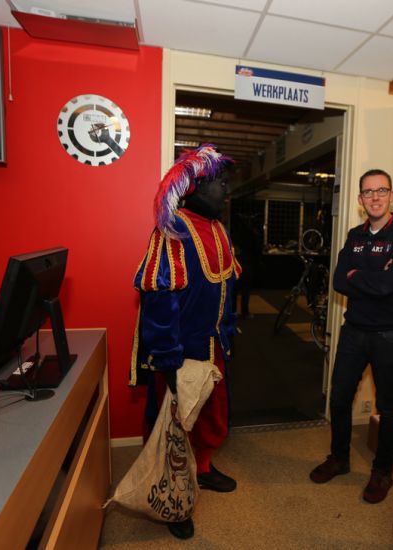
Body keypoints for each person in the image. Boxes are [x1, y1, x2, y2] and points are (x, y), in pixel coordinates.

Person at [131, 144, 240, 540]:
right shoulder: (174, 229)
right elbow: (160, 300)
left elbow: (227, 288)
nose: (227, 189)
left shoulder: (219, 229)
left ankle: (204, 468)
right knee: (172, 428)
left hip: (214, 348)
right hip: (180, 353)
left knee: (211, 417)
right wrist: (168, 359)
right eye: (219, 182)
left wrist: (228, 332)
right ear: (193, 188)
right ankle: (171, 495)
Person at [310, 168, 393, 504]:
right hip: (354, 331)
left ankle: (382, 471)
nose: (375, 197)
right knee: (339, 399)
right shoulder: (354, 235)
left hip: (391, 335)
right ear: (360, 199)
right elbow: (338, 281)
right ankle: (339, 458)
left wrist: (357, 275)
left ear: (391, 196)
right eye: (368, 192)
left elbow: (389, 284)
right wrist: (371, 275)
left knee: (387, 407)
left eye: (381, 190)